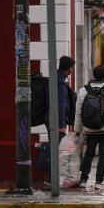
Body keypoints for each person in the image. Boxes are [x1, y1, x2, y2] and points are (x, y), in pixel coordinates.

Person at [74, 65, 104, 190]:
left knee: (88, 154)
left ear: (94, 75)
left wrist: (77, 129)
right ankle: (99, 182)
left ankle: (83, 180)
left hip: (89, 129)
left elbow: (78, 112)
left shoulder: (83, 90)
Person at [44, 55, 75, 185]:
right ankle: (51, 179)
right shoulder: (60, 83)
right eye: (73, 67)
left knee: (55, 148)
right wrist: (61, 125)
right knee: (57, 150)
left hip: (50, 117)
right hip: (56, 120)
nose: (73, 69)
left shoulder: (55, 78)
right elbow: (60, 104)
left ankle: (52, 178)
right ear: (69, 68)